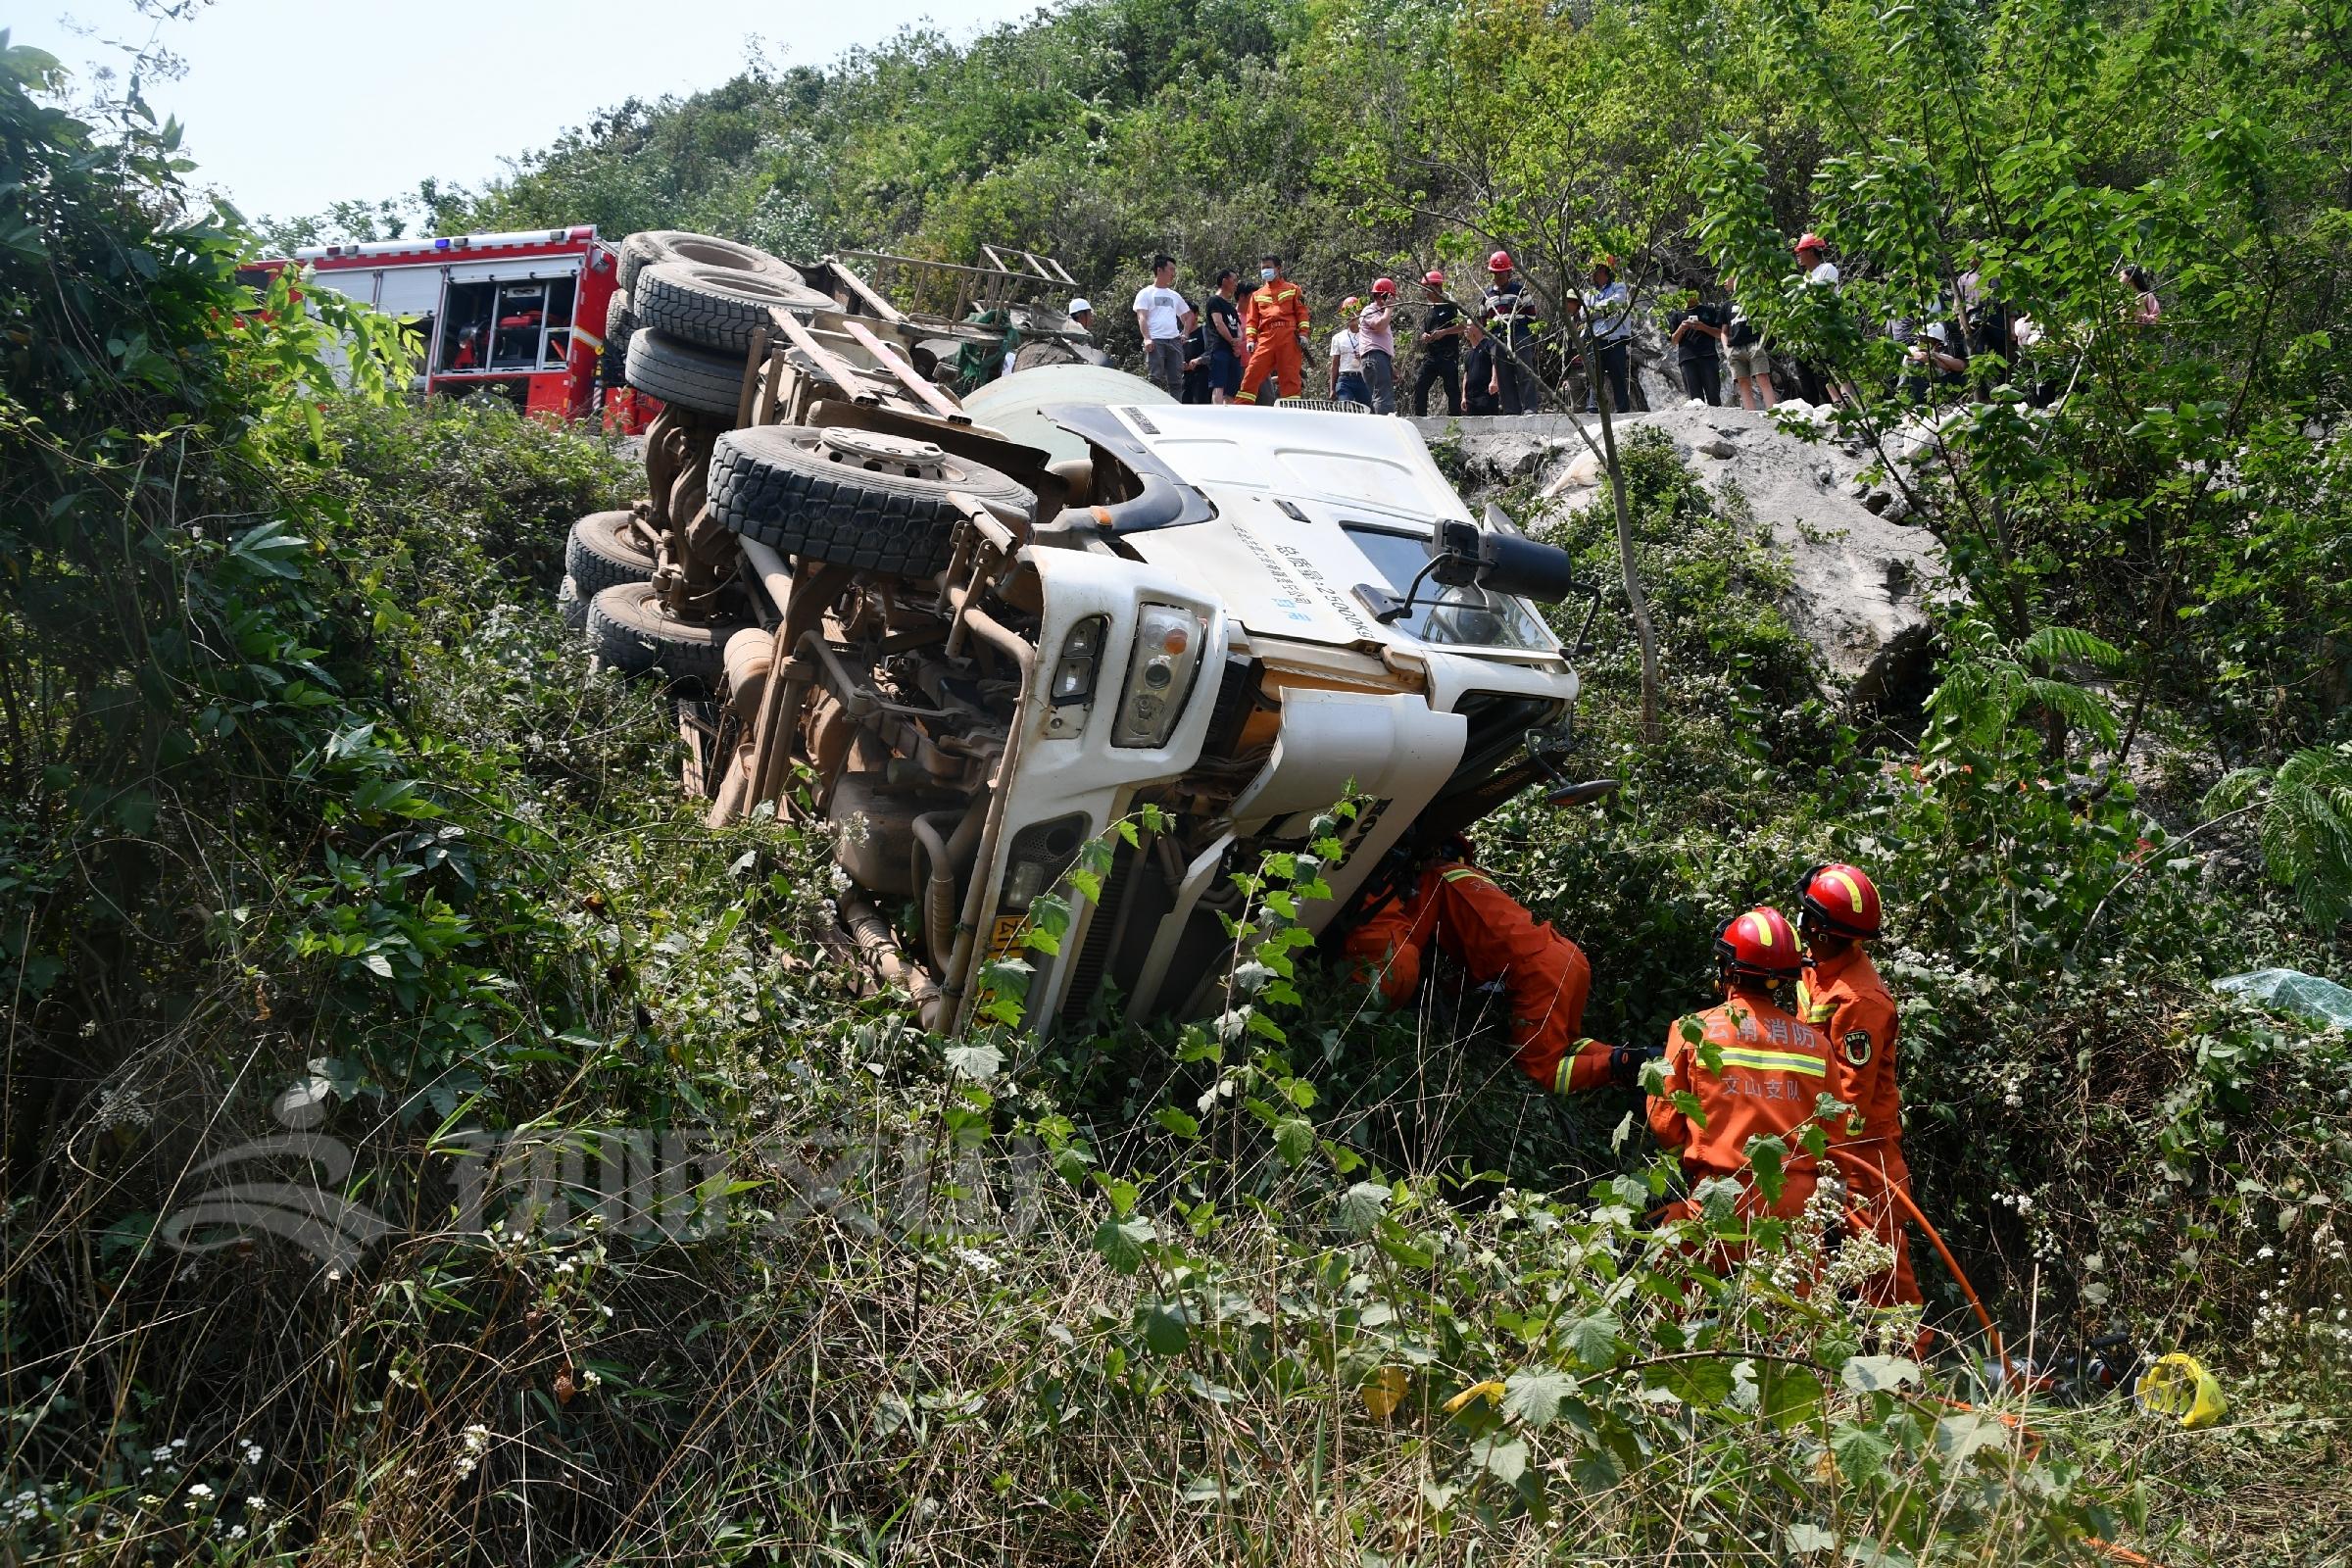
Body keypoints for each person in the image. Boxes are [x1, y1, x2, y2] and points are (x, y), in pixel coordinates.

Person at [1343, 851, 1636, 1097]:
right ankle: (1639, 1060)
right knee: (1568, 1045)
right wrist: (1453, 987)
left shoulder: (1437, 882)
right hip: (1567, 956)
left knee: (1540, 1071)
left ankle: (1618, 1063)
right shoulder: (1471, 880)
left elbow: (1406, 946)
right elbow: (1485, 945)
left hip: (1542, 971)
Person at [1647, 906, 1835, 1227]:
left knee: (1662, 1252)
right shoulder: (1818, 1045)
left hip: (1720, 1195)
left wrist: (1701, 1150)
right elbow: (1833, 1133)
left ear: (1729, 971)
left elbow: (1664, 1124)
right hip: (1799, 1207)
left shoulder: (1692, 1029)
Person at [1792, 863, 1920, 1309]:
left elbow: (1851, 1092)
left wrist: (1819, 1154)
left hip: (1863, 1152)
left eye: (1807, 916)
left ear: (1821, 929)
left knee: (1881, 1270)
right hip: (1827, 1140)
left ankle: (1909, 1365)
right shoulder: (1817, 968)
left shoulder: (1859, 1000)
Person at [1236, 254, 1311, 407]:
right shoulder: (1257, 295)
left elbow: (1302, 313)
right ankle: (1242, 408)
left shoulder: (1293, 289)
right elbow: (1252, 320)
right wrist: (1250, 339)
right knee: (1252, 372)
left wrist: (1303, 334)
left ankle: (1292, 411)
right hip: (1266, 338)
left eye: (1269, 267)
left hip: (1288, 336)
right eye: (1263, 268)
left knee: (1290, 376)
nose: (1265, 270)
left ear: (1278, 269)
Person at [1481, 251, 1540, 415]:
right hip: (1498, 338)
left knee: (1525, 371)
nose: (1498, 277)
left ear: (1508, 273)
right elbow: (1483, 319)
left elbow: (1531, 315)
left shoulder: (1520, 291)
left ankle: (1530, 408)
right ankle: (1511, 410)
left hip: (1519, 335)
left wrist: (1522, 331)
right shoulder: (1487, 295)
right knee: (1503, 375)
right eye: (1495, 274)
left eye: (1501, 273)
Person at [1791, 234, 1845, 406]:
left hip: (1823, 330)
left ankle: (1838, 408)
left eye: (1801, 251)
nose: (1798, 254)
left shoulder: (1827, 269)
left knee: (1824, 375)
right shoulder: (1805, 278)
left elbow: (1825, 294)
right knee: (1805, 377)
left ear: (1812, 251)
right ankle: (1814, 413)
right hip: (1806, 334)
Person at [1133, 255, 1197, 400]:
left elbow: (1188, 316)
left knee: (1176, 381)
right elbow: (1141, 316)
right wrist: (1147, 338)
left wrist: (1185, 333)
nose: (1173, 274)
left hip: (1174, 341)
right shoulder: (1145, 293)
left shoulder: (1174, 295)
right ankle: (1152, 408)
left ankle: (1176, 409)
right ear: (1159, 270)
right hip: (1156, 341)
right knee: (1154, 378)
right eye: (1171, 269)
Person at [1411, 270, 1465, 416]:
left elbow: (1463, 325)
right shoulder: (1430, 309)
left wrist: (1444, 332)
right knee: (1420, 384)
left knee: (1451, 388)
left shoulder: (1451, 306)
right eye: (1424, 290)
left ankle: (1455, 419)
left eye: (1428, 289)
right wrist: (1425, 336)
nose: (1426, 293)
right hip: (1431, 356)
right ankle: (1420, 418)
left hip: (1448, 355)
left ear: (1437, 287)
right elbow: (1425, 330)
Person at [1585, 257, 1634, 414]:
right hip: (1596, 338)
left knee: (1617, 374)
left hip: (1615, 338)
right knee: (1594, 376)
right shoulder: (1588, 294)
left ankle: (1622, 408)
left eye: (1596, 270)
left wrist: (1595, 311)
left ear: (1604, 270)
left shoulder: (1618, 286)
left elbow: (1616, 304)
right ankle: (1592, 407)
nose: (1592, 274)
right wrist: (1603, 311)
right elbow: (1584, 313)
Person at [1666, 284, 1728, 407]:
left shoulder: (1709, 311)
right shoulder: (1677, 314)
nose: (1690, 297)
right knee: (1695, 400)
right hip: (1687, 359)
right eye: (1687, 294)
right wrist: (1681, 328)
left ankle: (1718, 422)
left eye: (1693, 294)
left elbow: (1719, 334)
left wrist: (1703, 327)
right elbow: (1673, 341)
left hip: (1708, 357)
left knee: (1713, 395)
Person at [1723, 278, 1775, 410]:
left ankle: (1773, 412)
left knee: (1762, 377)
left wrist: (1763, 340)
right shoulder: (1726, 305)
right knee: (1743, 382)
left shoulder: (1753, 298)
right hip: (1735, 348)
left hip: (1754, 343)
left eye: (1727, 278)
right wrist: (1726, 349)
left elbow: (1765, 321)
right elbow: (1723, 331)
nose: (1724, 281)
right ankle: (1751, 416)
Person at [1358, 277, 1399, 414]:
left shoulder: (1381, 312)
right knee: (1383, 397)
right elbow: (1380, 326)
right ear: (1384, 296)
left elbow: (1380, 342)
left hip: (1378, 358)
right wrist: (1389, 308)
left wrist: (1389, 365)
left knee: (1373, 396)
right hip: (1374, 357)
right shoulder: (1370, 310)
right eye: (1390, 296)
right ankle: (1385, 428)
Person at [1897, 318, 1966, 403]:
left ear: (1936, 344)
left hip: (1935, 390)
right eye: (1921, 339)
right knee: (1916, 364)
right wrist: (1941, 364)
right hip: (1913, 391)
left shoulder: (1940, 356)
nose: (1921, 342)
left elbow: (1961, 365)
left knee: (1961, 375)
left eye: (1926, 340)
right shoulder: (1912, 349)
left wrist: (1936, 355)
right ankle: (1916, 402)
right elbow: (1920, 357)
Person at [1203, 269, 1244, 404]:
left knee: (1232, 389)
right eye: (1234, 280)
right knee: (1218, 385)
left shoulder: (1231, 307)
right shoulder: (1214, 301)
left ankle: (1229, 417)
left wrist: (1238, 340)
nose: (1236, 284)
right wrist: (1232, 341)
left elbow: (1238, 328)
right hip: (1219, 349)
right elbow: (1218, 323)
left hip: (1234, 353)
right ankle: (1217, 415)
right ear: (1225, 281)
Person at [1328, 298, 1369, 405]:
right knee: (1346, 409)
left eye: (1355, 312)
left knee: (1369, 410)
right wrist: (1332, 388)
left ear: (1360, 313)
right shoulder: (1338, 337)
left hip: (1363, 378)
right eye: (1348, 313)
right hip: (1345, 379)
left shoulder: (1367, 335)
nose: (1351, 316)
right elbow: (1335, 364)